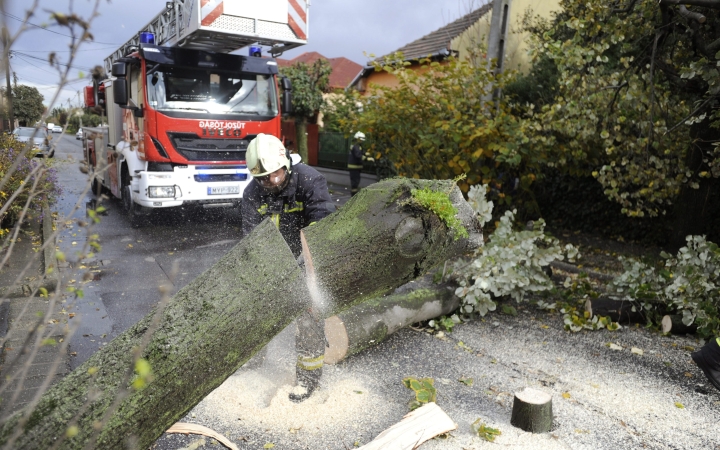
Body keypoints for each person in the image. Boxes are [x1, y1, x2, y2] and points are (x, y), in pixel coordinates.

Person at [241, 133, 336, 402]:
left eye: (274, 175)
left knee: (309, 317)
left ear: (286, 164)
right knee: (253, 308)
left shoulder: (309, 180)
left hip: (308, 259)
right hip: (275, 261)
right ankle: (252, 360)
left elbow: (323, 229)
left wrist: (311, 277)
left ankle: (307, 380)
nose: (269, 182)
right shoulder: (252, 194)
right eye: (262, 178)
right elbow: (251, 241)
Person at [348, 131, 365, 196]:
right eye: (361, 140)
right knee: (355, 182)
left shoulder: (356, 146)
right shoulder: (356, 146)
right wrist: (366, 158)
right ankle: (353, 196)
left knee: (356, 182)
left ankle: (354, 195)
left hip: (355, 167)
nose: (362, 141)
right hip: (354, 167)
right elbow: (358, 155)